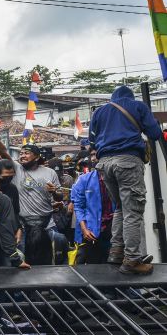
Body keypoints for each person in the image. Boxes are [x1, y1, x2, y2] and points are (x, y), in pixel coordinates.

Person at [89, 85, 162, 274]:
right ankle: (132, 260)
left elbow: (91, 141)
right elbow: (155, 134)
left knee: (121, 208)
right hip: (128, 161)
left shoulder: (99, 112)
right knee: (133, 211)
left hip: (105, 164)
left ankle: (116, 252)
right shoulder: (138, 106)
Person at [0, 121, 64, 265]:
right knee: (22, 261)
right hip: (23, 225)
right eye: (21, 153)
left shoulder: (50, 172)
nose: (22, 156)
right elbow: (3, 152)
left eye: (27, 153)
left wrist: (54, 193)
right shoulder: (17, 169)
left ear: (37, 156)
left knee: (49, 261)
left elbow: (60, 196)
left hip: (47, 224)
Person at [71, 148, 115, 264]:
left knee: (114, 267)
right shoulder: (84, 180)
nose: (94, 158)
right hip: (91, 231)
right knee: (92, 269)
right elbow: (79, 207)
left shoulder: (116, 178)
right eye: (92, 155)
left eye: (97, 154)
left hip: (113, 230)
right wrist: (84, 229)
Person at [0, 159, 22, 242]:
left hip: (9, 232)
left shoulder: (12, 188)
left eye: (11, 176)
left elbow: (15, 212)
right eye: (4, 177)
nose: (8, 179)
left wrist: (19, 228)